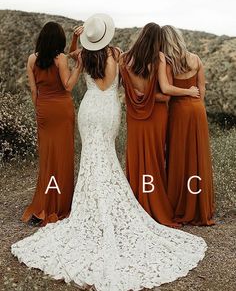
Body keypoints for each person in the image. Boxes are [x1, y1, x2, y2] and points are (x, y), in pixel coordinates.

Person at [12, 15, 207, 291]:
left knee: (91, 157)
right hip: (109, 112)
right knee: (107, 155)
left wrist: (77, 39)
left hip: (89, 110)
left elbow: (67, 56)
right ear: (107, 36)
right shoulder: (119, 54)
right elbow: (135, 68)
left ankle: (89, 202)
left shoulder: (82, 56)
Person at [119, 23, 200, 227]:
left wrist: (140, 96)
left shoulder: (124, 59)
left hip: (134, 115)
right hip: (156, 115)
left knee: (136, 156)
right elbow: (165, 96)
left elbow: (125, 90)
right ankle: (155, 203)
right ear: (157, 41)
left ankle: (136, 200)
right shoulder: (159, 60)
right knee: (155, 157)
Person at [22, 22, 81, 226]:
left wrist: (39, 111)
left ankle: (44, 202)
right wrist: (79, 67)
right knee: (63, 153)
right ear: (59, 40)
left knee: (47, 155)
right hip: (62, 110)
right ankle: (60, 203)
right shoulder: (61, 58)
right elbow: (68, 86)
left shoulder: (32, 59)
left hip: (44, 110)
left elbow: (33, 91)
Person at [160, 25, 215, 225]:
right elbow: (202, 89)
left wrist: (185, 94)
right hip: (197, 110)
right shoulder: (196, 59)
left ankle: (180, 204)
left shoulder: (167, 62)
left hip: (179, 111)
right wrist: (196, 102)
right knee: (197, 154)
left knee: (179, 155)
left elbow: (167, 91)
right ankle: (200, 206)